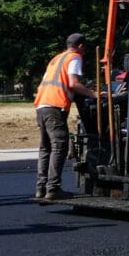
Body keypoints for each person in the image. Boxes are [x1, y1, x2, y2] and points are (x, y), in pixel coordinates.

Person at [33, 33, 98, 202]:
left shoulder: (56, 58)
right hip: (55, 106)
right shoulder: (75, 57)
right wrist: (94, 93)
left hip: (41, 105)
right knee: (59, 147)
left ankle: (41, 188)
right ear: (81, 46)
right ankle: (53, 188)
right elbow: (73, 83)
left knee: (45, 148)